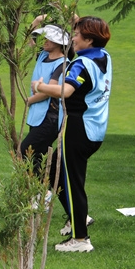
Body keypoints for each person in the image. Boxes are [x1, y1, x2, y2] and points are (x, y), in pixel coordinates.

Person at [34, 16, 112, 253]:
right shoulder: (103, 56)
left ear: (89, 39)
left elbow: (65, 91)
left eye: (77, 34)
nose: (73, 38)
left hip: (78, 130)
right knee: (55, 168)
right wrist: (75, 17)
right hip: (96, 130)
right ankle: (75, 218)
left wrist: (40, 86)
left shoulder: (80, 65)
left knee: (73, 183)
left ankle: (80, 238)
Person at [20, 17, 69, 178]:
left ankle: (38, 192)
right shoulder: (42, 56)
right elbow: (27, 40)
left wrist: (29, 100)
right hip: (37, 115)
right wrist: (36, 21)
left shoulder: (63, 63)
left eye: (49, 37)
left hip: (50, 117)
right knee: (37, 156)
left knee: (25, 150)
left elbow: (50, 91)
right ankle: (40, 194)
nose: (45, 40)